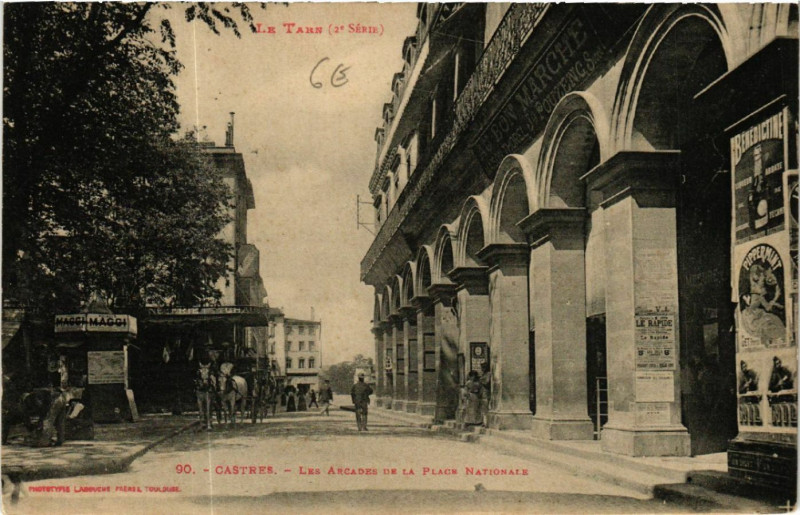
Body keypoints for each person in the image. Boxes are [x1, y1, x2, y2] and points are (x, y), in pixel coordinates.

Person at [479, 362, 492, 427]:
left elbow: (487, 382)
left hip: (486, 392)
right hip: (482, 393)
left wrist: (481, 381)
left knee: (486, 408)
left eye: (483, 367)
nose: (482, 369)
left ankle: (487, 423)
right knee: (483, 408)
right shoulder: (484, 374)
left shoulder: (488, 374)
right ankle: (483, 422)